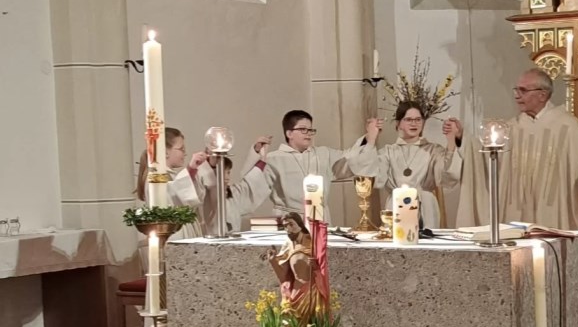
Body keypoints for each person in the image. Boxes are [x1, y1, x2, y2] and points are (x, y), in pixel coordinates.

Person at [457, 68, 578, 244]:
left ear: (542, 95)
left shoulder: (567, 126)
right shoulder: (512, 128)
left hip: (552, 210)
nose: (517, 95)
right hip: (516, 209)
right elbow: (485, 156)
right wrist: (463, 137)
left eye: (523, 90)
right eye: (516, 90)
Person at [248, 110, 383, 221]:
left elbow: (351, 158)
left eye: (311, 130)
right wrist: (256, 153)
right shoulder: (274, 159)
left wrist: (370, 137)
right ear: (289, 133)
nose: (308, 134)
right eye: (303, 129)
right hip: (289, 220)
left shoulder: (323, 154)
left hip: (320, 217)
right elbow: (251, 184)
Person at [137, 127, 270, 236]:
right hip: (173, 234)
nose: (185, 153)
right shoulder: (155, 177)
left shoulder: (171, 175)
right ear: (165, 152)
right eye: (181, 149)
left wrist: (207, 165)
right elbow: (171, 200)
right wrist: (191, 169)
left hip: (185, 231)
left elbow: (197, 195)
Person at [375, 101, 462, 229]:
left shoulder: (433, 150)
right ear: (398, 123)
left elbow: (447, 177)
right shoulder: (388, 152)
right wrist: (371, 139)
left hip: (426, 207)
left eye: (418, 119)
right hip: (397, 205)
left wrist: (451, 141)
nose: (414, 123)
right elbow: (376, 179)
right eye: (408, 119)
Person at [263, 211, 328, 327]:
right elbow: (284, 276)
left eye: (291, 224)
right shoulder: (288, 245)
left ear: (300, 224)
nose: (288, 229)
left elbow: (322, 269)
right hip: (294, 294)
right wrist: (273, 261)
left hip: (310, 292)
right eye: (285, 226)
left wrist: (316, 267)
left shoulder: (311, 242)